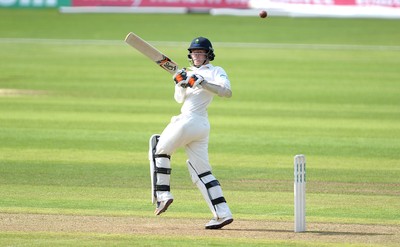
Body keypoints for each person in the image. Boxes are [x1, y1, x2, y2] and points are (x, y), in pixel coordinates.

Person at [148, 37, 233, 229]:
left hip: (192, 121)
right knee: (202, 172)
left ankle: (162, 195)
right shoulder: (186, 72)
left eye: (200, 52)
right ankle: (222, 213)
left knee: (158, 147)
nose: (196, 56)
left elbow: (226, 92)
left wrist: (203, 83)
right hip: (198, 125)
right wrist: (180, 83)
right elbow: (179, 99)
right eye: (194, 52)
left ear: (208, 54)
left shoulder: (215, 71)